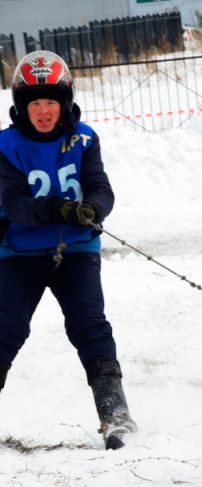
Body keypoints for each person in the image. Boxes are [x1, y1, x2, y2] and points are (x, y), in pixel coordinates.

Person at [0, 51, 137, 450]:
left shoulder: (85, 139)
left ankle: (115, 415)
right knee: (6, 329)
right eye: (34, 103)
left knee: (90, 325)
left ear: (65, 102)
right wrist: (54, 208)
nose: (43, 111)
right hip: (19, 253)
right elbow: (13, 203)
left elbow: (101, 187)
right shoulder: (6, 145)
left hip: (76, 249)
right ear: (21, 106)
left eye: (51, 102)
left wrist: (93, 208)